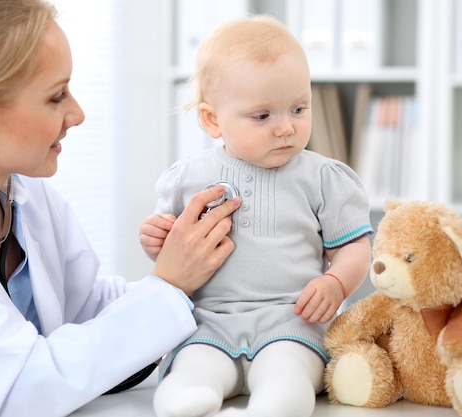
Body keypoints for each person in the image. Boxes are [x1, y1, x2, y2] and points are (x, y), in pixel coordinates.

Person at [0, 1, 242, 416]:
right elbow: (21, 386)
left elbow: (85, 310)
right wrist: (170, 285)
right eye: (56, 96)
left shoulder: (21, 193)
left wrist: (208, 282)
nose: (77, 114)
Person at [139, 16, 373, 417]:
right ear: (213, 119)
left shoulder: (321, 177)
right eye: (262, 116)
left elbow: (355, 247)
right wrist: (154, 239)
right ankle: (188, 402)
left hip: (292, 322)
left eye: (298, 108)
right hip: (208, 324)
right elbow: (172, 253)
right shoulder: (186, 179)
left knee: (289, 378)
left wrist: (335, 282)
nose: (286, 128)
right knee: (191, 371)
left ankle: (268, 410)